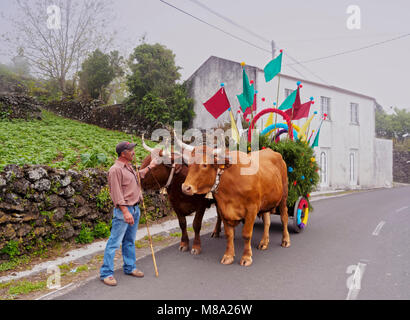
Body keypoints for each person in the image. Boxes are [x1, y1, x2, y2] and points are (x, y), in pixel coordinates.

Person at [100, 141, 159, 286]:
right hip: (124, 211)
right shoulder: (115, 170)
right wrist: (126, 212)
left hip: (135, 209)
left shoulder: (129, 167)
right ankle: (106, 273)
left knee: (129, 241)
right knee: (114, 242)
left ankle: (129, 267)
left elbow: (138, 176)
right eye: (131, 150)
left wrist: (150, 167)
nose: (133, 152)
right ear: (123, 153)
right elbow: (116, 193)